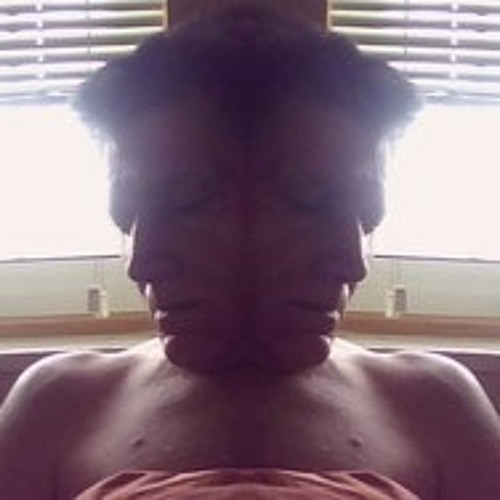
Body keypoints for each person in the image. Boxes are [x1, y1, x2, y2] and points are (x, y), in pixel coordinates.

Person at [1, 6, 499, 500]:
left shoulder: (434, 402)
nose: (142, 263)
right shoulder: (58, 402)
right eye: (129, 215)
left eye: (364, 216)